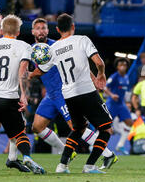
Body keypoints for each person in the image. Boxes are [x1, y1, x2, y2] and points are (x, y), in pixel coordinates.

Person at [28, 18, 118, 170]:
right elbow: (40, 70)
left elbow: (81, 66)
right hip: (51, 95)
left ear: (51, 30)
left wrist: (94, 79)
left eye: (43, 28)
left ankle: (107, 154)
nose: (41, 31)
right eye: (38, 28)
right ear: (32, 32)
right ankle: (66, 152)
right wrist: (28, 75)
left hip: (64, 92)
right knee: (37, 127)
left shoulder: (53, 46)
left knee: (76, 127)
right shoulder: (32, 50)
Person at [0, 15, 45, 175]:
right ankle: (26, 156)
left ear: (2, 30)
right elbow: (23, 73)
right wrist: (23, 95)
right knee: (19, 131)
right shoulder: (24, 46)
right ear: (18, 31)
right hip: (8, 96)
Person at [104, 57, 134, 155]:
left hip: (121, 104)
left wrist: (127, 102)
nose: (122, 67)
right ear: (117, 67)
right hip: (112, 104)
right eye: (120, 65)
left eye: (124, 65)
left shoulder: (126, 77)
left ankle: (120, 145)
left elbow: (124, 92)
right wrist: (112, 95)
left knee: (130, 122)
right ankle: (93, 145)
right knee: (104, 125)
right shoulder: (114, 76)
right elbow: (105, 88)